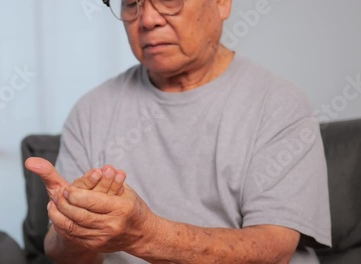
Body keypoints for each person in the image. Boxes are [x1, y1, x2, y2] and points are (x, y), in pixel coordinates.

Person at [25, 0, 331, 263]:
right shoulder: (90, 110)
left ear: (222, 3)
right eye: (132, 2)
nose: (147, 19)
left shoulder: (280, 105)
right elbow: (60, 254)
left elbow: (274, 250)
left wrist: (145, 234)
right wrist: (74, 229)